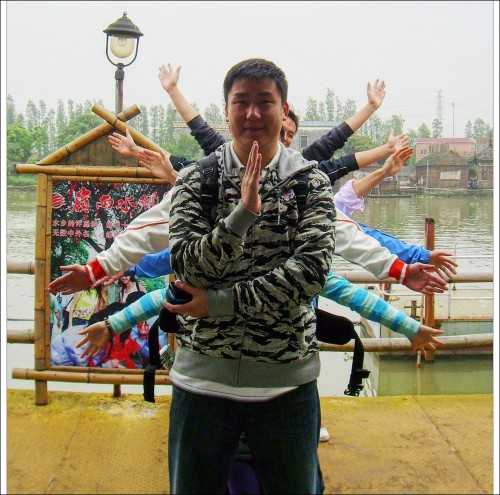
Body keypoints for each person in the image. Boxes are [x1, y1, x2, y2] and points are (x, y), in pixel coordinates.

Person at [82, 57, 337, 494]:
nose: (253, 113)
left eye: (265, 102)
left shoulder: (309, 184)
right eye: (242, 102)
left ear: (284, 109)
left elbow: (310, 274)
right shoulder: (197, 180)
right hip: (202, 384)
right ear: (226, 110)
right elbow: (187, 266)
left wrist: (217, 302)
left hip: (287, 383)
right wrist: (242, 215)